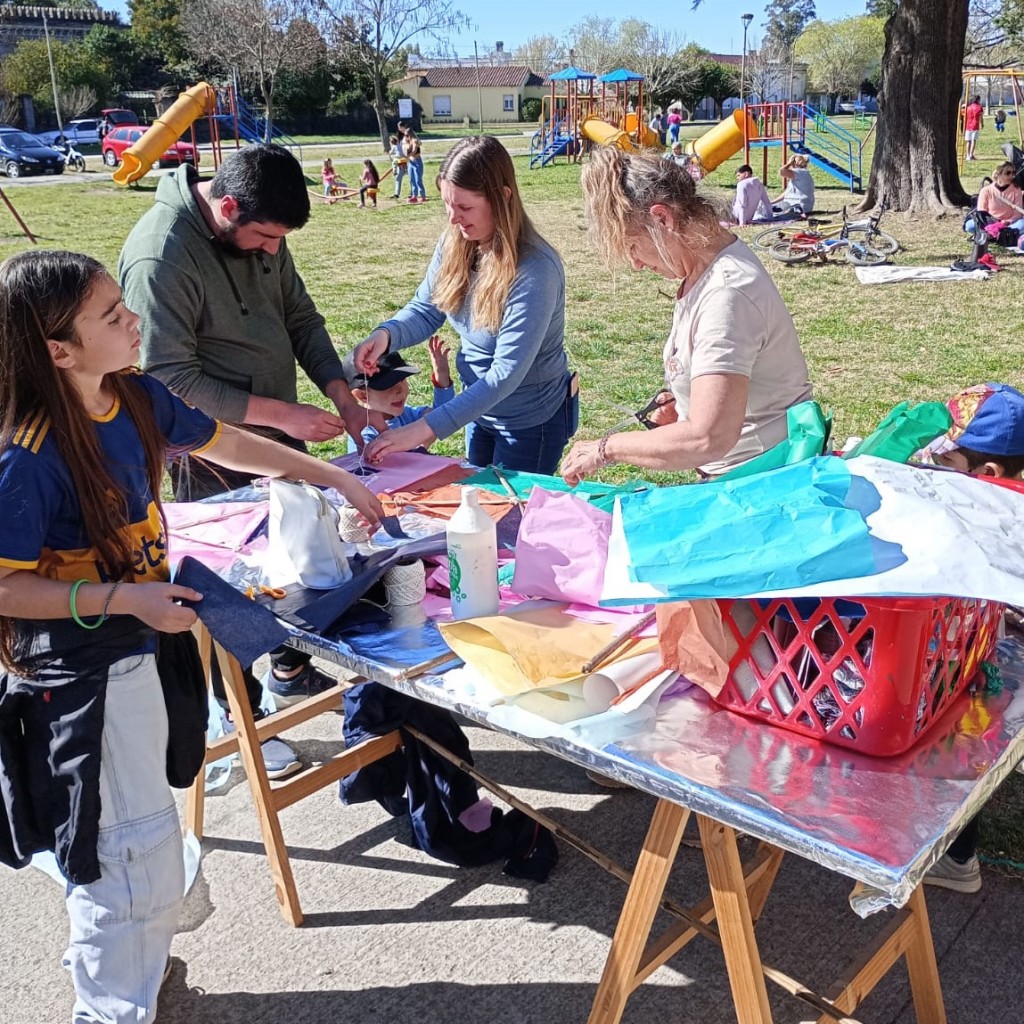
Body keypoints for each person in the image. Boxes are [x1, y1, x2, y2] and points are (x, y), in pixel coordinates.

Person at [0, 249, 382, 1024]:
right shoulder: (26, 460)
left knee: (136, 842)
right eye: (111, 316)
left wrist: (329, 475)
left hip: (137, 651)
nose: (133, 319)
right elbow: (5, 589)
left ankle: (136, 978)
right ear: (56, 350)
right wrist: (124, 598)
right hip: (79, 683)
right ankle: (109, 1010)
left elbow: (227, 442)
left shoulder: (133, 396)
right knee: (119, 859)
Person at [119, 143, 381, 770]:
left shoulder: (262, 228)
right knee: (221, 592)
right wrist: (283, 415)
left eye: (278, 240)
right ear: (227, 206)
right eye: (264, 237)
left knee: (289, 556)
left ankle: (287, 667)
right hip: (205, 456)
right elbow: (168, 380)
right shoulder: (162, 255)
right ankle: (233, 720)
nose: (271, 250)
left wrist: (342, 396)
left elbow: (300, 317)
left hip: (272, 437)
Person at [560, 146, 812, 485]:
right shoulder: (705, 270)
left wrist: (606, 448)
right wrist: (683, 404)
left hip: (763, 484)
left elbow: (709, 437)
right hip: (747, 478)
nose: (635, 264)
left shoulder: (727, 293)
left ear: (662, 219)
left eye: (632, 246)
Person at [353, 135, 576, 475]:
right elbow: (426, 308)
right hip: (477, 411)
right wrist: (386, 335)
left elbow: (504, 376)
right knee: (476, 504)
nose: (453, 218)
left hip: (531, 423)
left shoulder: (535, 270)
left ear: (502, 198)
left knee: (510, 518)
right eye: (447, 204)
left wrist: (421, 430)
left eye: (465, 207)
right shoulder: (457, 241)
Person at [917, 382, 1024, 893]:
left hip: (977, 652)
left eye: (946, 461)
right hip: (989, 640)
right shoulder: (999, 500)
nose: (933, 469)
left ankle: (956, 857)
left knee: (963, 725)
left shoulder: (989, 515)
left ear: (987, 475)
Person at [348, 339, 455, 449]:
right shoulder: (363, 433)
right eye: (389, 385)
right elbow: (383, 463)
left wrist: (442, 379)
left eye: (402, 379)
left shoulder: (406, 414)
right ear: (363, 396)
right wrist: (421, 443)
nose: (400, 390)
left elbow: (442, 416)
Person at [405, 130, 426, 203]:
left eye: (407, 135)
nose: (406, 137)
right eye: (405, 135)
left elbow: (414, 151)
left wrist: (407, 156)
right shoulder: (407, 142)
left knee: (418, 180)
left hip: (417, 162)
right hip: (411, 162)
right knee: (412, 179)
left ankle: (423, 196)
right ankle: (414, 196)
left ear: (410, 134)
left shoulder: (415, 140)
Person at [965, 94, 984, 160]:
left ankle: (967, 155)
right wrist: (982, 123)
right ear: (978, 100)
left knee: (968, 141)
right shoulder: (979, 107)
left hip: (968, 125)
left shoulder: (968, 107)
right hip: (975, 125)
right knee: (973, 141)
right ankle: (971, 155)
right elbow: (980, 117)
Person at [389, 133, 407, 199]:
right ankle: (396, 194)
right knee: (397, 179)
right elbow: (391, 153)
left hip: (401, 162)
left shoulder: (400, 145)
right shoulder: (397, 146)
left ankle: (397, 194)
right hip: (399, 161)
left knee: (398, 178)